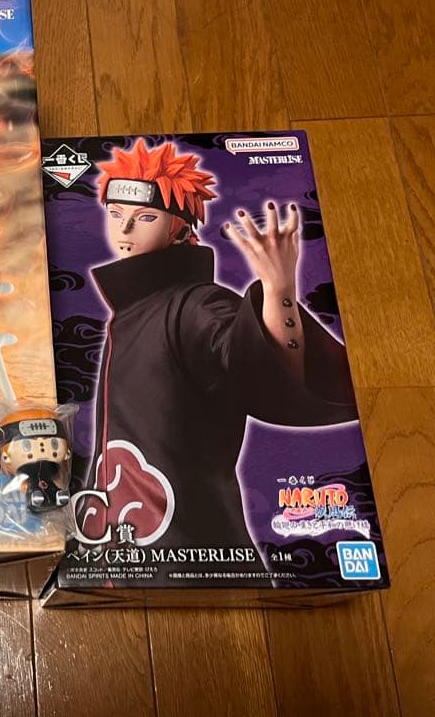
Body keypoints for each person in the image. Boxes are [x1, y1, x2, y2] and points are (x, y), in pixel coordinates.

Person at [75, 139, 358, 574]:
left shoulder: (197, 304)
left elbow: (254, 366)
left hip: (189, 555)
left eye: (145, 217)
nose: (125, 229)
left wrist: (279, 292)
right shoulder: (133, 311)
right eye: (115, 214)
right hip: (123, 552)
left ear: (179, 228)